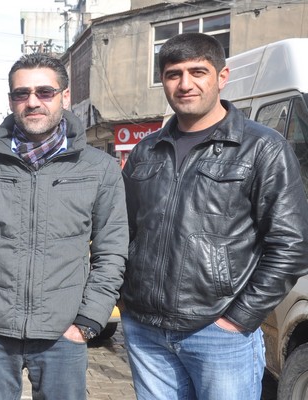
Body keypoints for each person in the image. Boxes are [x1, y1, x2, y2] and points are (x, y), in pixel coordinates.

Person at [121, 32, 308, 400]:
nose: (185, 84)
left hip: (218, 333)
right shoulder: (146, 151)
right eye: (173, 74)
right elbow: (123, 231)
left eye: (198, 72)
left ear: (222, 77)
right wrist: (126, 301)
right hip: (146, 332)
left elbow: (291, 245)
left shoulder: (263, 148)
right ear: (163, 81)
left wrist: (238, 319)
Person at [0, 53, 128, 400]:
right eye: (21, 93)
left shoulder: (99, 169)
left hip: (64, 336)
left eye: (44, 92)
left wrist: (87, 323)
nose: (33, 102)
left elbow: (112, 251)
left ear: (65, 96)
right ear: (11, 100)